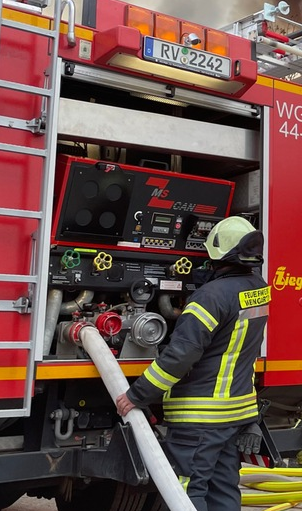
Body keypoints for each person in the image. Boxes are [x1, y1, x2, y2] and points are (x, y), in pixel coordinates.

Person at [116, 215, 271, 511]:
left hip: (200, 416)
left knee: (187, 490)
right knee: (224, 487)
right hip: (234, 413)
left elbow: (179, 356)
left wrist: (136, 395)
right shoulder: (258, 288)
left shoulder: (208, 298)